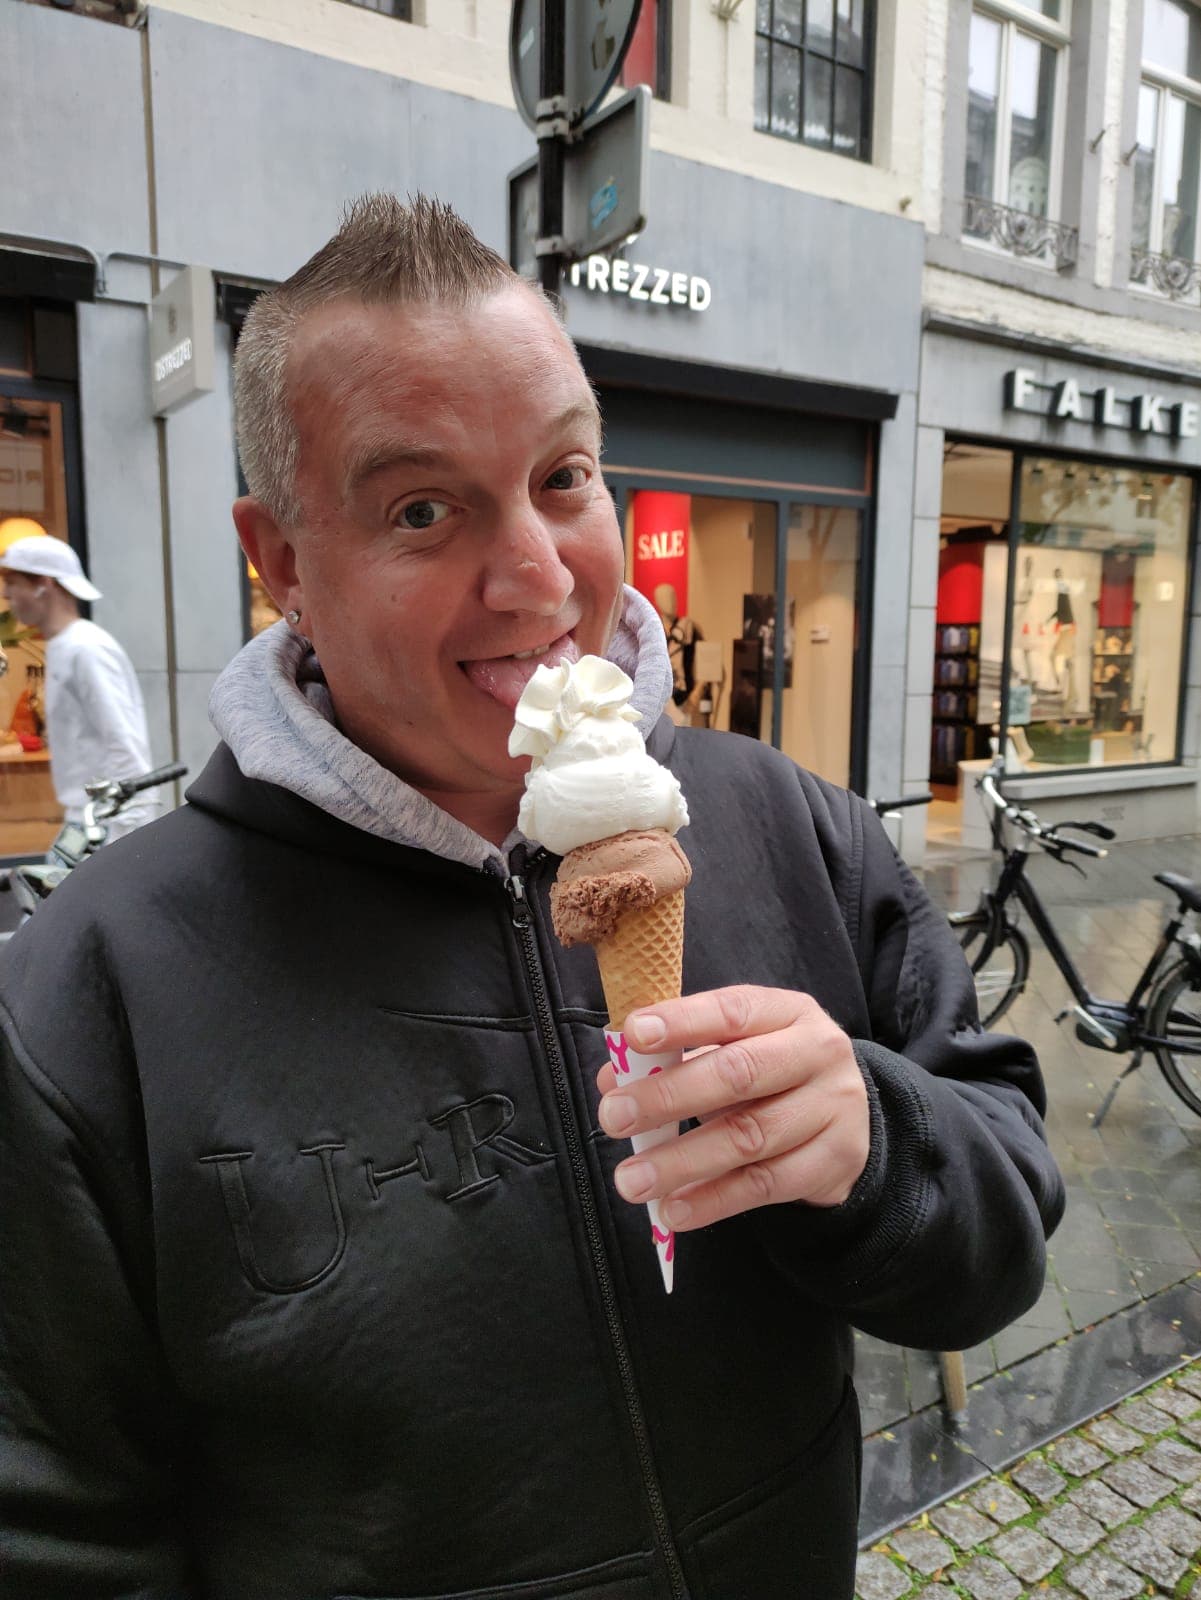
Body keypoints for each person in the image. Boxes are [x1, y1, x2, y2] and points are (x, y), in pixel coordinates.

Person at [0, 197, 1063, 1600]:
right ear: (284, 565)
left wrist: (874, 1143)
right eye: (422, 509)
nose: (536, 576)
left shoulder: (793, 827)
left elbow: (997, 1242)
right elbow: (61, 1543)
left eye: (564, 477)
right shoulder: (91, 992)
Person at [0, 534, 157, 841]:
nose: (6, 595)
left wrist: (129, 838)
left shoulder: (86, 648)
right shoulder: (66, 645)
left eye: (13, 583)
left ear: (43, 584)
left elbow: (123, 742)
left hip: (106, 824)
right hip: (88, 820)